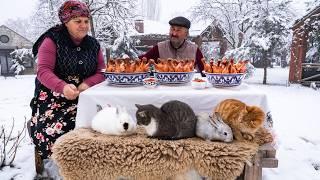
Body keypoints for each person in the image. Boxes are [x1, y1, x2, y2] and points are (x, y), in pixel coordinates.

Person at [29, 0, 105, 160]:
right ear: (66, 22)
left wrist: (87, 84)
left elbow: (101, 71)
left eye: (86, 21)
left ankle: (97, 165)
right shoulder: (51, 41)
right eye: (78, 21)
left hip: (85, 97)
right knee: (62, 131)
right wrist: (62, 87)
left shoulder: (94, 44)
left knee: (102, 125)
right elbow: (43, 71)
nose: (84, 25)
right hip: (54, 97)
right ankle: (72, 166)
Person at [138, 16, 205, 76]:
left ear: (186, 34)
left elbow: (205, 72)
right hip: (165, 87)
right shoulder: (159, 47)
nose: (174, 33)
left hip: (187, 87)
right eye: (172, 29)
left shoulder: (194, 50)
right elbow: (140, 61)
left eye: (178, 30)